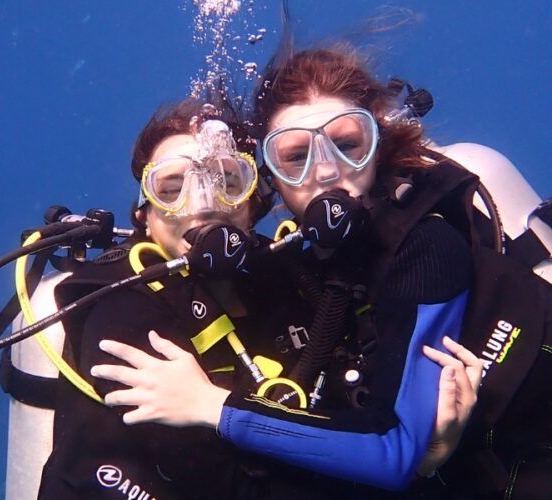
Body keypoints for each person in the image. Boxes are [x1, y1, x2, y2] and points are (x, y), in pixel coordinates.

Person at [93, 44, 552, 498]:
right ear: (271, 184)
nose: (325, 172)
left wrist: (210, 406)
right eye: (294, 155)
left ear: (379, 146)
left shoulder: (425, 246)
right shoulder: (319, 266)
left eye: (347, 144)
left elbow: (391, 453)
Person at [37, 96, 481, 499]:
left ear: (255, 205)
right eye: (171, 188)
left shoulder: (293, 286)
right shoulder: (123, 313)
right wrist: (414, 461)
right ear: (144, 217)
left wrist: (416, 448)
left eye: (228, 182)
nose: (203, 204)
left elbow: (352, 425)